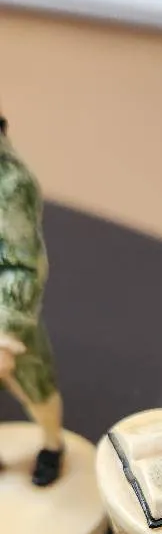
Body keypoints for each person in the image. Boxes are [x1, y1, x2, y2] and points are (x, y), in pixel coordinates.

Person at [0, 114, 64, 485]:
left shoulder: (11, 184)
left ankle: (52, 446)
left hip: (8, 313)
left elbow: (24, 265)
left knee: (34, 384)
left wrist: (6, 333)